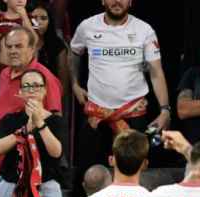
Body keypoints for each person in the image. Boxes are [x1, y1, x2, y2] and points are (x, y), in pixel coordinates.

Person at [69, 0, 171, 182]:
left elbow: (156, 72)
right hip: (96, 115)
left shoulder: (144, 30)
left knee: (137, 176)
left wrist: (165, 109)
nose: (117, 1)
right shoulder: (87, 26)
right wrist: (75, 84)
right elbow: (74, 52)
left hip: (134, 115)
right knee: (89, 176)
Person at [0, 28, 62, 197]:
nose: (13, 51)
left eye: (19, 46)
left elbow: (52, 121)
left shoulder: (43, 78)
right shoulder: (4, 73)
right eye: (9, 46)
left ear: (32, 49)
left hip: (30, 176)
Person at [0, 68, 65, 197]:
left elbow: (56, 152)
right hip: (12, 185)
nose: (31, 90)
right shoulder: (10, 119)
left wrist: (40, 123)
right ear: (21, 92)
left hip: (45, 187)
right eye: (27, 86)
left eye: (36, 86)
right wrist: (24, 130)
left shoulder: (56, 121)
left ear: (44, 90)